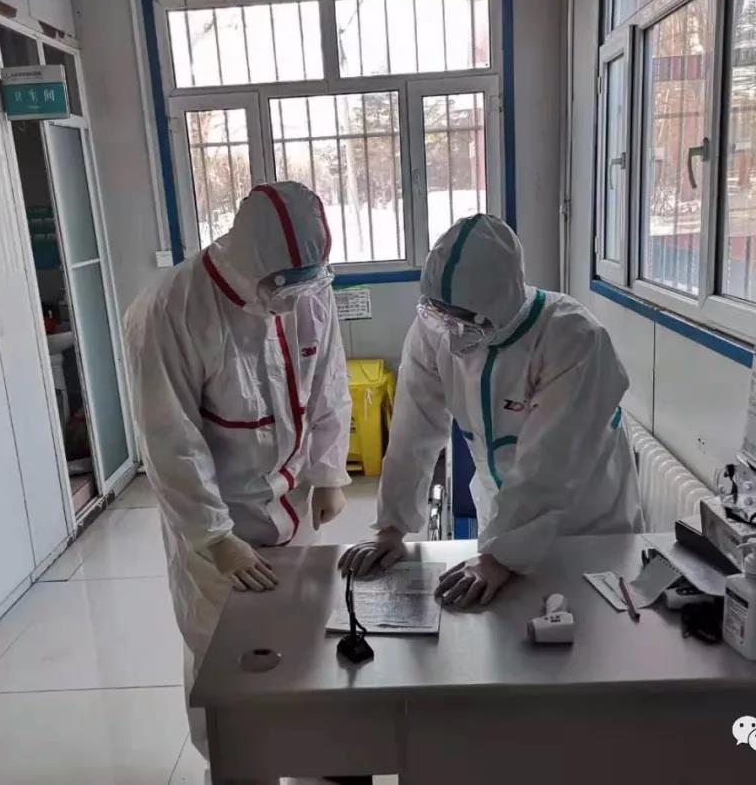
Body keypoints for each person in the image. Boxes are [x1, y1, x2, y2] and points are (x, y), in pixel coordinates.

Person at [124, 181, 352, 754]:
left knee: (298, 628)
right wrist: (215, 537)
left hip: (292, 505)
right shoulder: (171, 310)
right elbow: (170, 438)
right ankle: (229, 760)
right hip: (217, 518)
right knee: (222, 648)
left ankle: (298, 744)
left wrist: (328, 472)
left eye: (308, 283)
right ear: (251, 263)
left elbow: (329, 381)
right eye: (283, 287)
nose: (296, 300)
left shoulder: (307, 290)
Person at [339, 214, 643, 607]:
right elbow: (412, 431)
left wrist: (502, 557)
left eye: (467, 323)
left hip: (587, 523)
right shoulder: (434, 330)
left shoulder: (573, 338)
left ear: (503, 305)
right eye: (440, 315)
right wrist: (391, 528)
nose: (452, 337)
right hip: (507, 523)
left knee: (593, 630)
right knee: (503, 629)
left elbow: (550, 465)